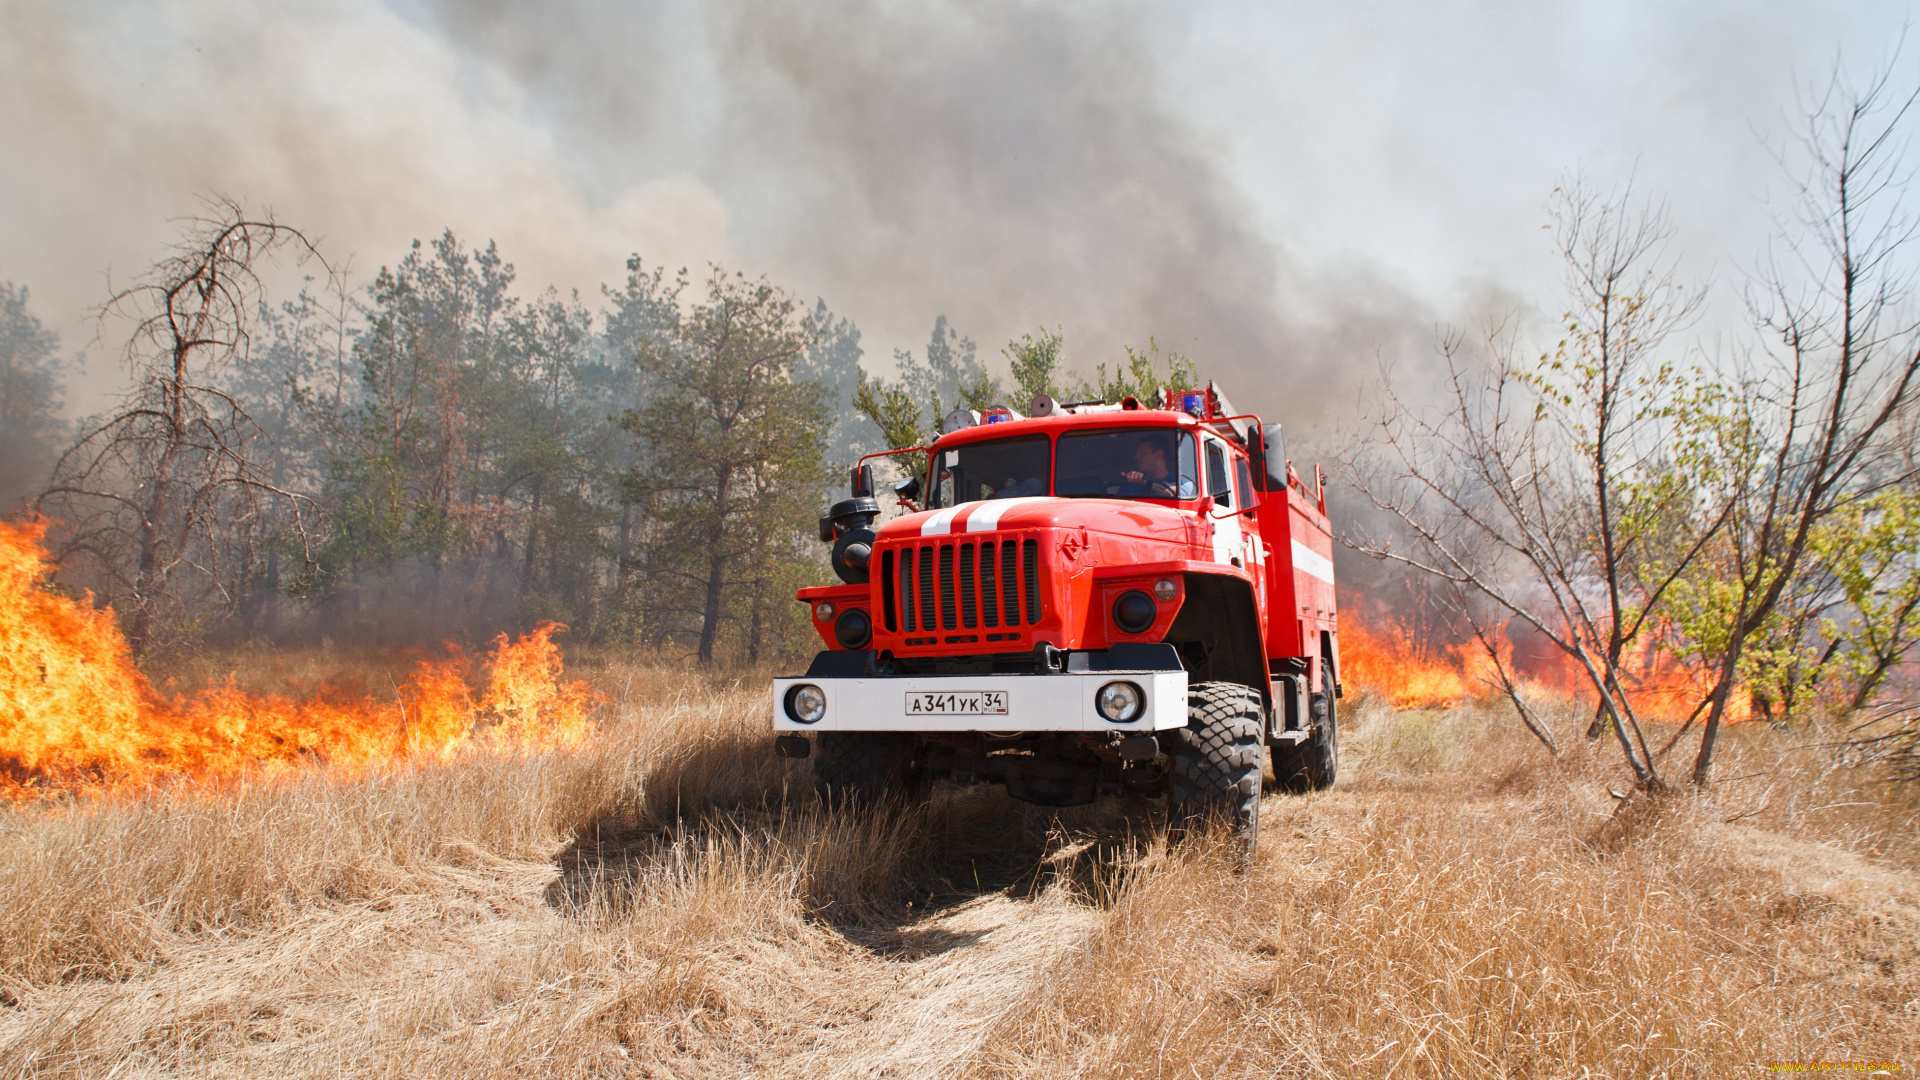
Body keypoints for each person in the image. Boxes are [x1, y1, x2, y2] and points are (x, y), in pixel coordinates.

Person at [1117, 434, 1194, 497]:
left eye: (1143, 454)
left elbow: (1174, 494)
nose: (1136, 458)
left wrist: (1145, 481)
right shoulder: (1129, 483)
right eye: (1137, 454)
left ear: (1158, 455)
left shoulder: (1183, 482)